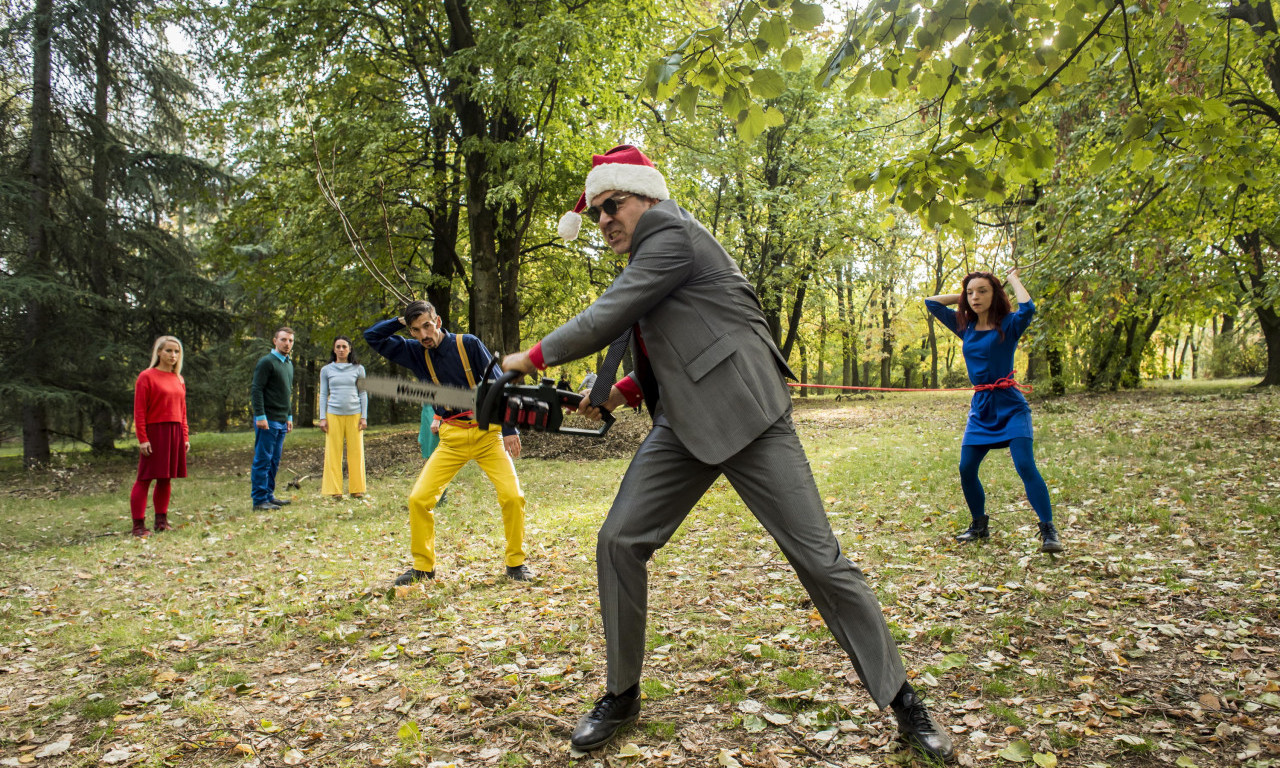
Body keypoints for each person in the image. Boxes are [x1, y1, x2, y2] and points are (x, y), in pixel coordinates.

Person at [501, 145, 955, 762]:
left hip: (750, 418)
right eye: (597, 210)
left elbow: (611, 315)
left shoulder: (672, 231)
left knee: (821, 562)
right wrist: (619, 391)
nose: (605, 218)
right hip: (683, 428)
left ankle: (905, 703)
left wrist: (531, 358)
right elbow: (675, 338)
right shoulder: (649, 258)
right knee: (619, 541)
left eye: (614, 204)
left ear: (648, 198)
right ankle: (623, 693)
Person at [364, 301, 532, 585]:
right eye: (416, 329)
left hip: (487, 435)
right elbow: (373, 337)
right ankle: (423, 567)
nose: (423, 334)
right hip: (451, 438)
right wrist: (400, 321)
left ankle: (516, 563)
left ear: (438, 321)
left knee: (512, 497)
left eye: (427, 326)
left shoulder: (467, 344)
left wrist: (509, 428)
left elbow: (498, 384)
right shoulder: (415, 352)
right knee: (419, 499)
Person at [924, 268, 1063, 553]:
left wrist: (1011, 278)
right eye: (971, 292)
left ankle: (1048, 531)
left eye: (983, 291)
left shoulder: (1009, 324)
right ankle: (979, 525)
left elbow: (1028, 307)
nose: (975, 297)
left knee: (1025, 465)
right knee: (966, 468)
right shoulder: (965, 326)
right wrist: (962, 296)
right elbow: (932, 302)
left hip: (1011, 406)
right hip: (982, 408)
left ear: (995, 294)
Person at [130, 336, 190, 537]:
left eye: (176, 352)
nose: (173, 355)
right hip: (155, 432)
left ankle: (161, 522)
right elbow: (139, 411)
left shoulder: (179, 378)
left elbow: (182, 411)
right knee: (145, 478)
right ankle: (138, 526)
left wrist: (185, 436)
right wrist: (143, 438)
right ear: (158, 352)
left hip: (174, 432)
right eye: (168, 351)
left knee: (165, 479)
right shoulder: (146, 376)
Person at [250, 327, 295, 511]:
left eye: (291, 341)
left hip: (282, 420)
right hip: (267, 420)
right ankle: (259, 500)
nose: (287, 344)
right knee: (263, 460)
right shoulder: (267, 362)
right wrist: (260, 416)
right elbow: (256, 389)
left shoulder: (288, 363)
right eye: (284, 340)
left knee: (274, 460)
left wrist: (289, 416)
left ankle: (269, 495)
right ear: (274, 341)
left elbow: (287, 392)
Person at [319, 336, 368, 498]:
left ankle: (357, 489)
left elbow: (363, 393)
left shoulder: (358, 369)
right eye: (338, 347)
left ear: (349, 349)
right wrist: (322, 417)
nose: (341, 349)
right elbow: (324, 393)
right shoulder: (326, 370)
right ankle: (335, 490)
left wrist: (364, 416)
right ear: (334, 349)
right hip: (333, 414)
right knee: (333, 452)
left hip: (355, 414)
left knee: (356, 452)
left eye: (344, 347)